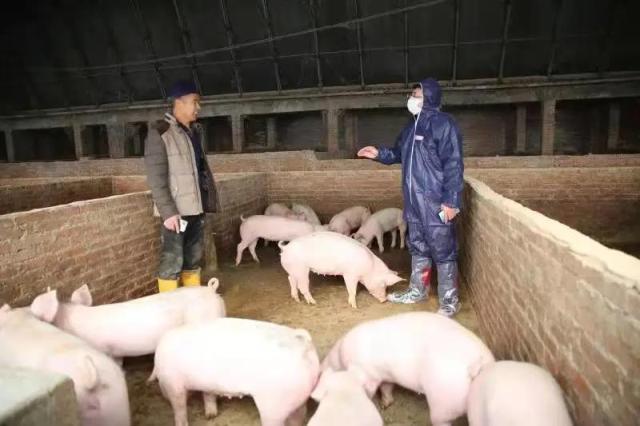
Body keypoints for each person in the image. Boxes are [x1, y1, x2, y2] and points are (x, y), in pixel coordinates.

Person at [357, 78, 464, 317]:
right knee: (417, 246)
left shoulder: (444, 124)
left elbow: (453, 164)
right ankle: (418, 290)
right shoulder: (410, 127)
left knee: (443, 249)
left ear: (430, 98)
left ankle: (450, 301)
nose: (411, 99)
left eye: (417, 95)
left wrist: (451, 202)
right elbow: (398, 153)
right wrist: (378, 153)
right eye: (412, 95)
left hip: (436, 201)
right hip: (414, 202)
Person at [144, 80, 218, 292]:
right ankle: (170, 305)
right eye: (195, 102)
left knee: (193, 258)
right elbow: (156, 178)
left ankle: (192, 299)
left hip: (195, 208)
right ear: (179, 102)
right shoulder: (160, 133)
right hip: (176, 213)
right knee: (172, 260)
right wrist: (168, 213)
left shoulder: (193, 133)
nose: (198, 107)